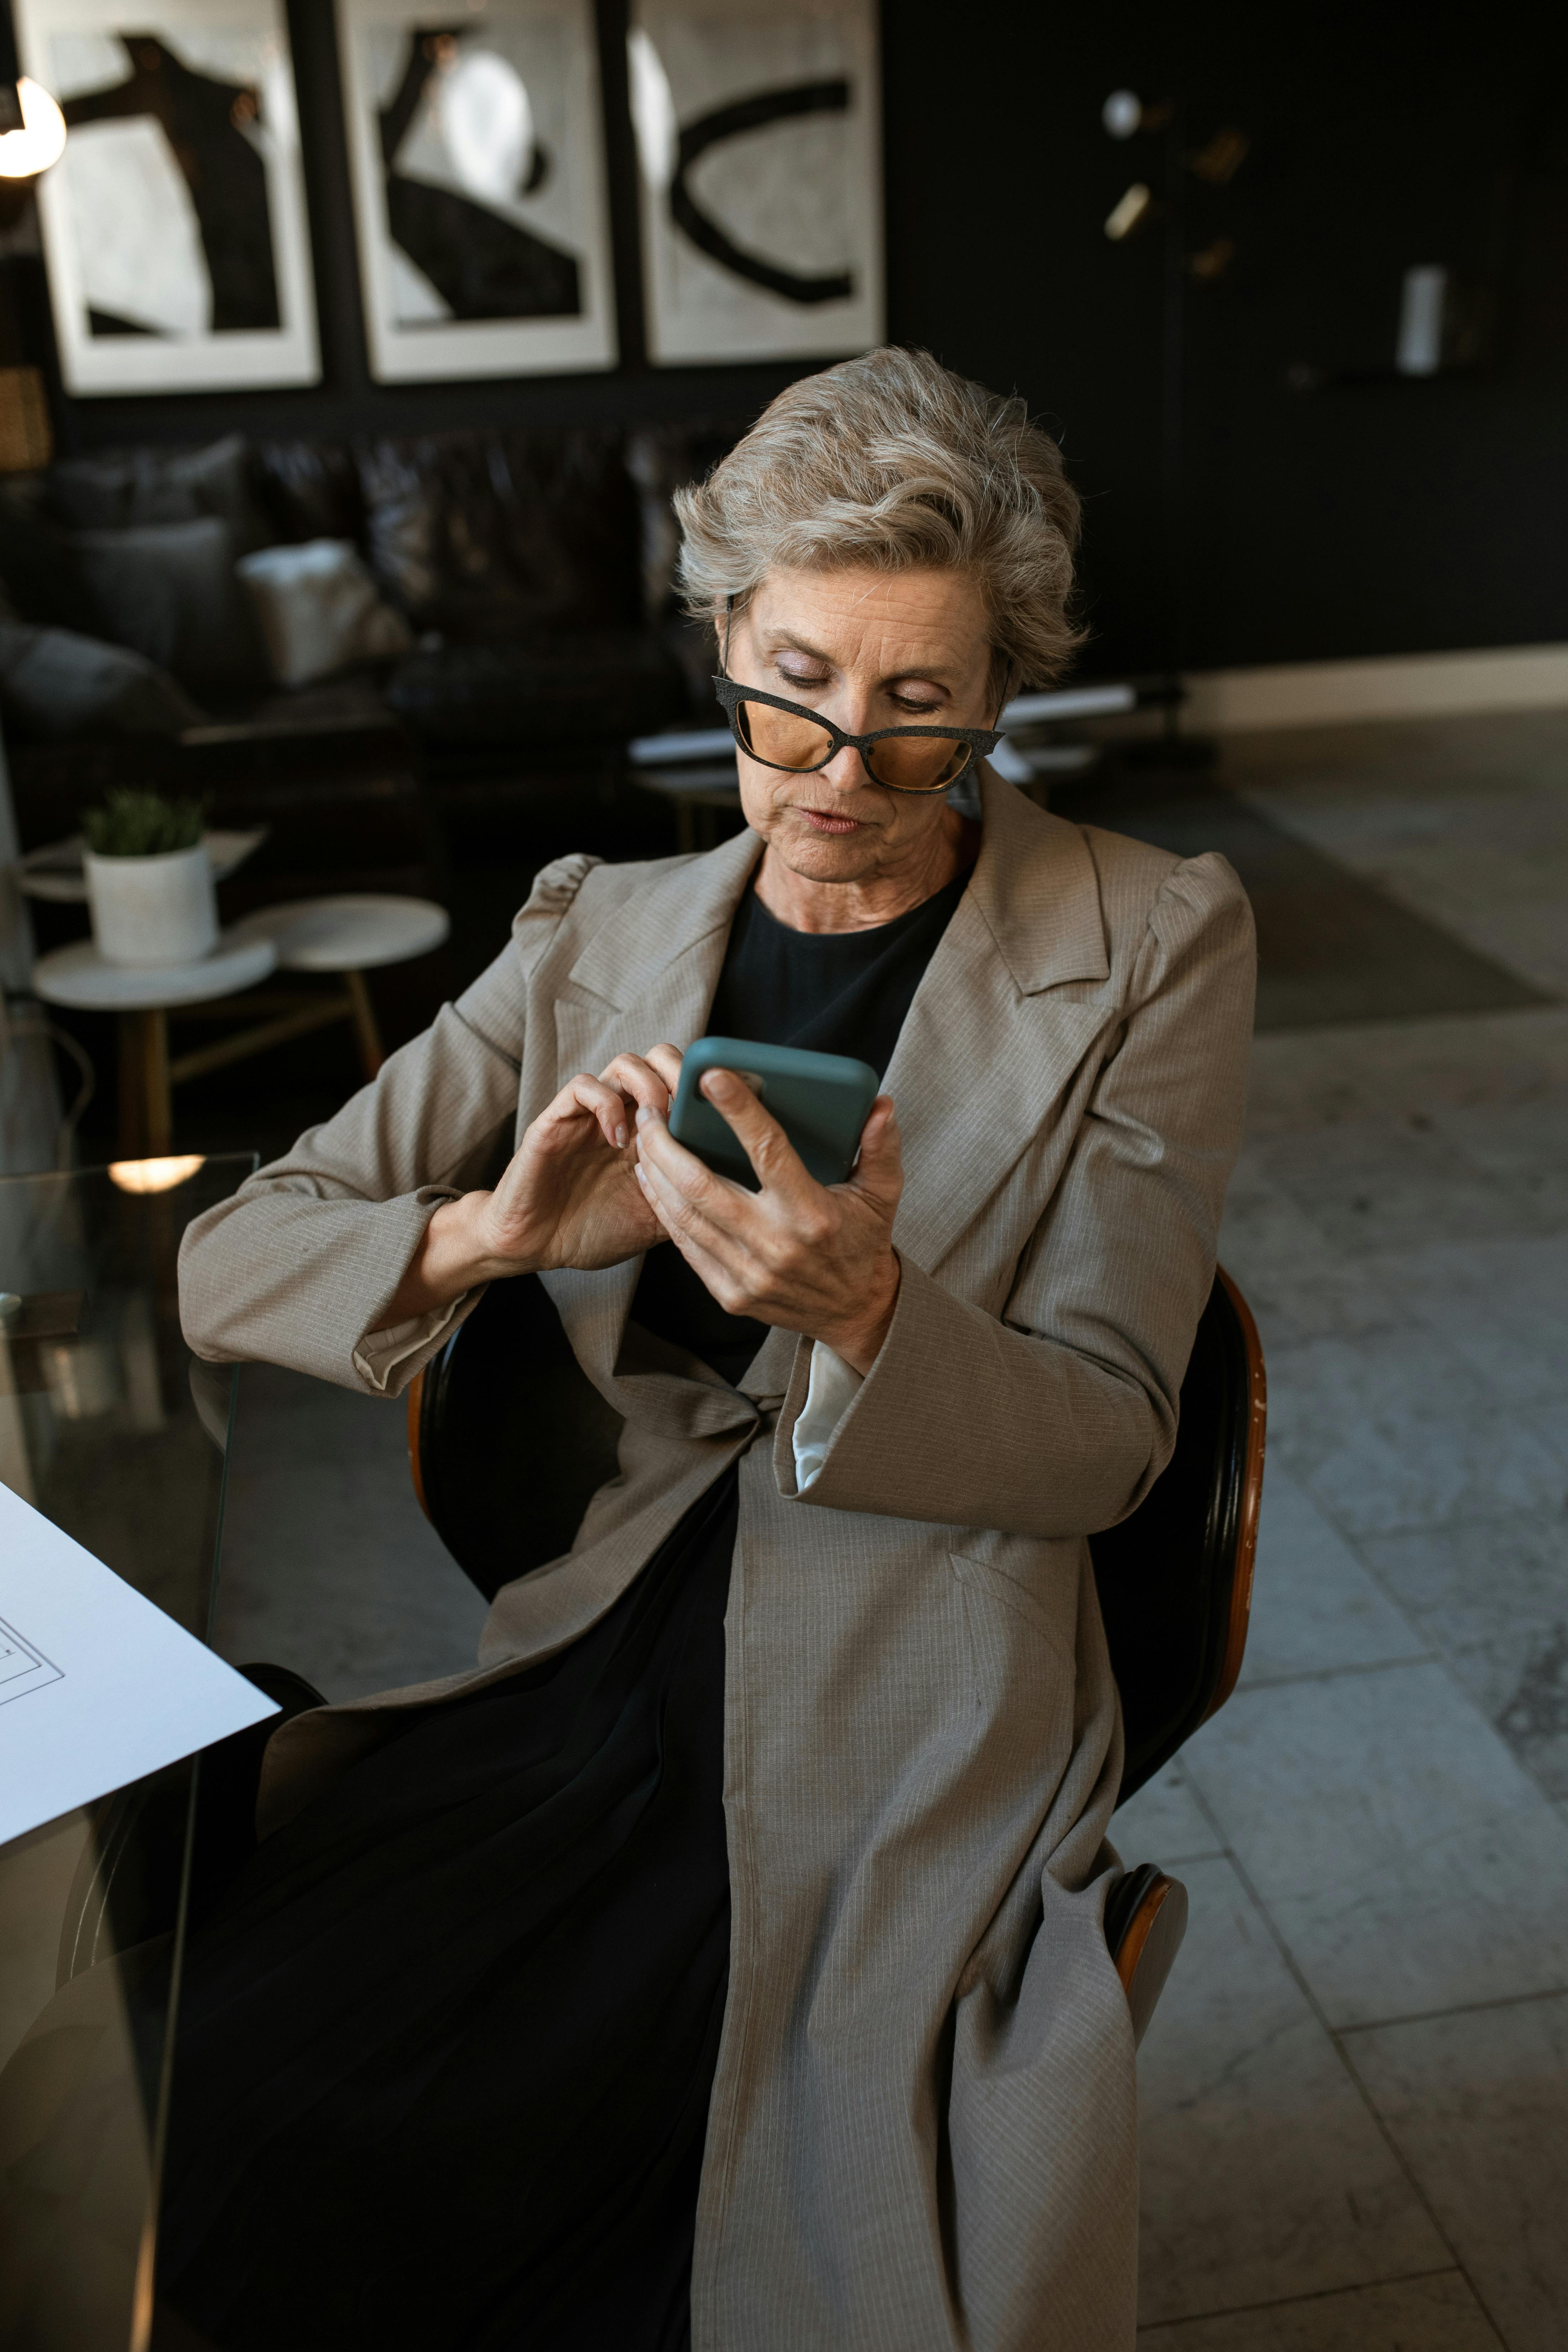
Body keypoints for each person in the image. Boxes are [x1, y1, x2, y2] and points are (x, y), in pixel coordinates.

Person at [166, 346, 1255, 2351]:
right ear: (721, 646)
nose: (839, 768)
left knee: (696, 2190)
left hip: (923, 1666)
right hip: (609, 1636)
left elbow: (1109, 1439)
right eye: (792, 687)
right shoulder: (590, 928)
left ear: (999, 696)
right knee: (256, 2076)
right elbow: (232, 1264)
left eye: (918, 708)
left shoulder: (1154, 935)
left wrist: (865, 1317)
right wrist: (488, 1234)